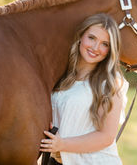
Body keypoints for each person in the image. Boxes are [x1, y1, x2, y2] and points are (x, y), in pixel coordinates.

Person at [40, 13, 128, 165]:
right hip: (55, 161)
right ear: (81, 36)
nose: (95, 48)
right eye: (92, 38)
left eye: (104, 44)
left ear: (111, 49)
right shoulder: (61, 75)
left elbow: (106, 137)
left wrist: (62, 145)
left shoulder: (109, 85)